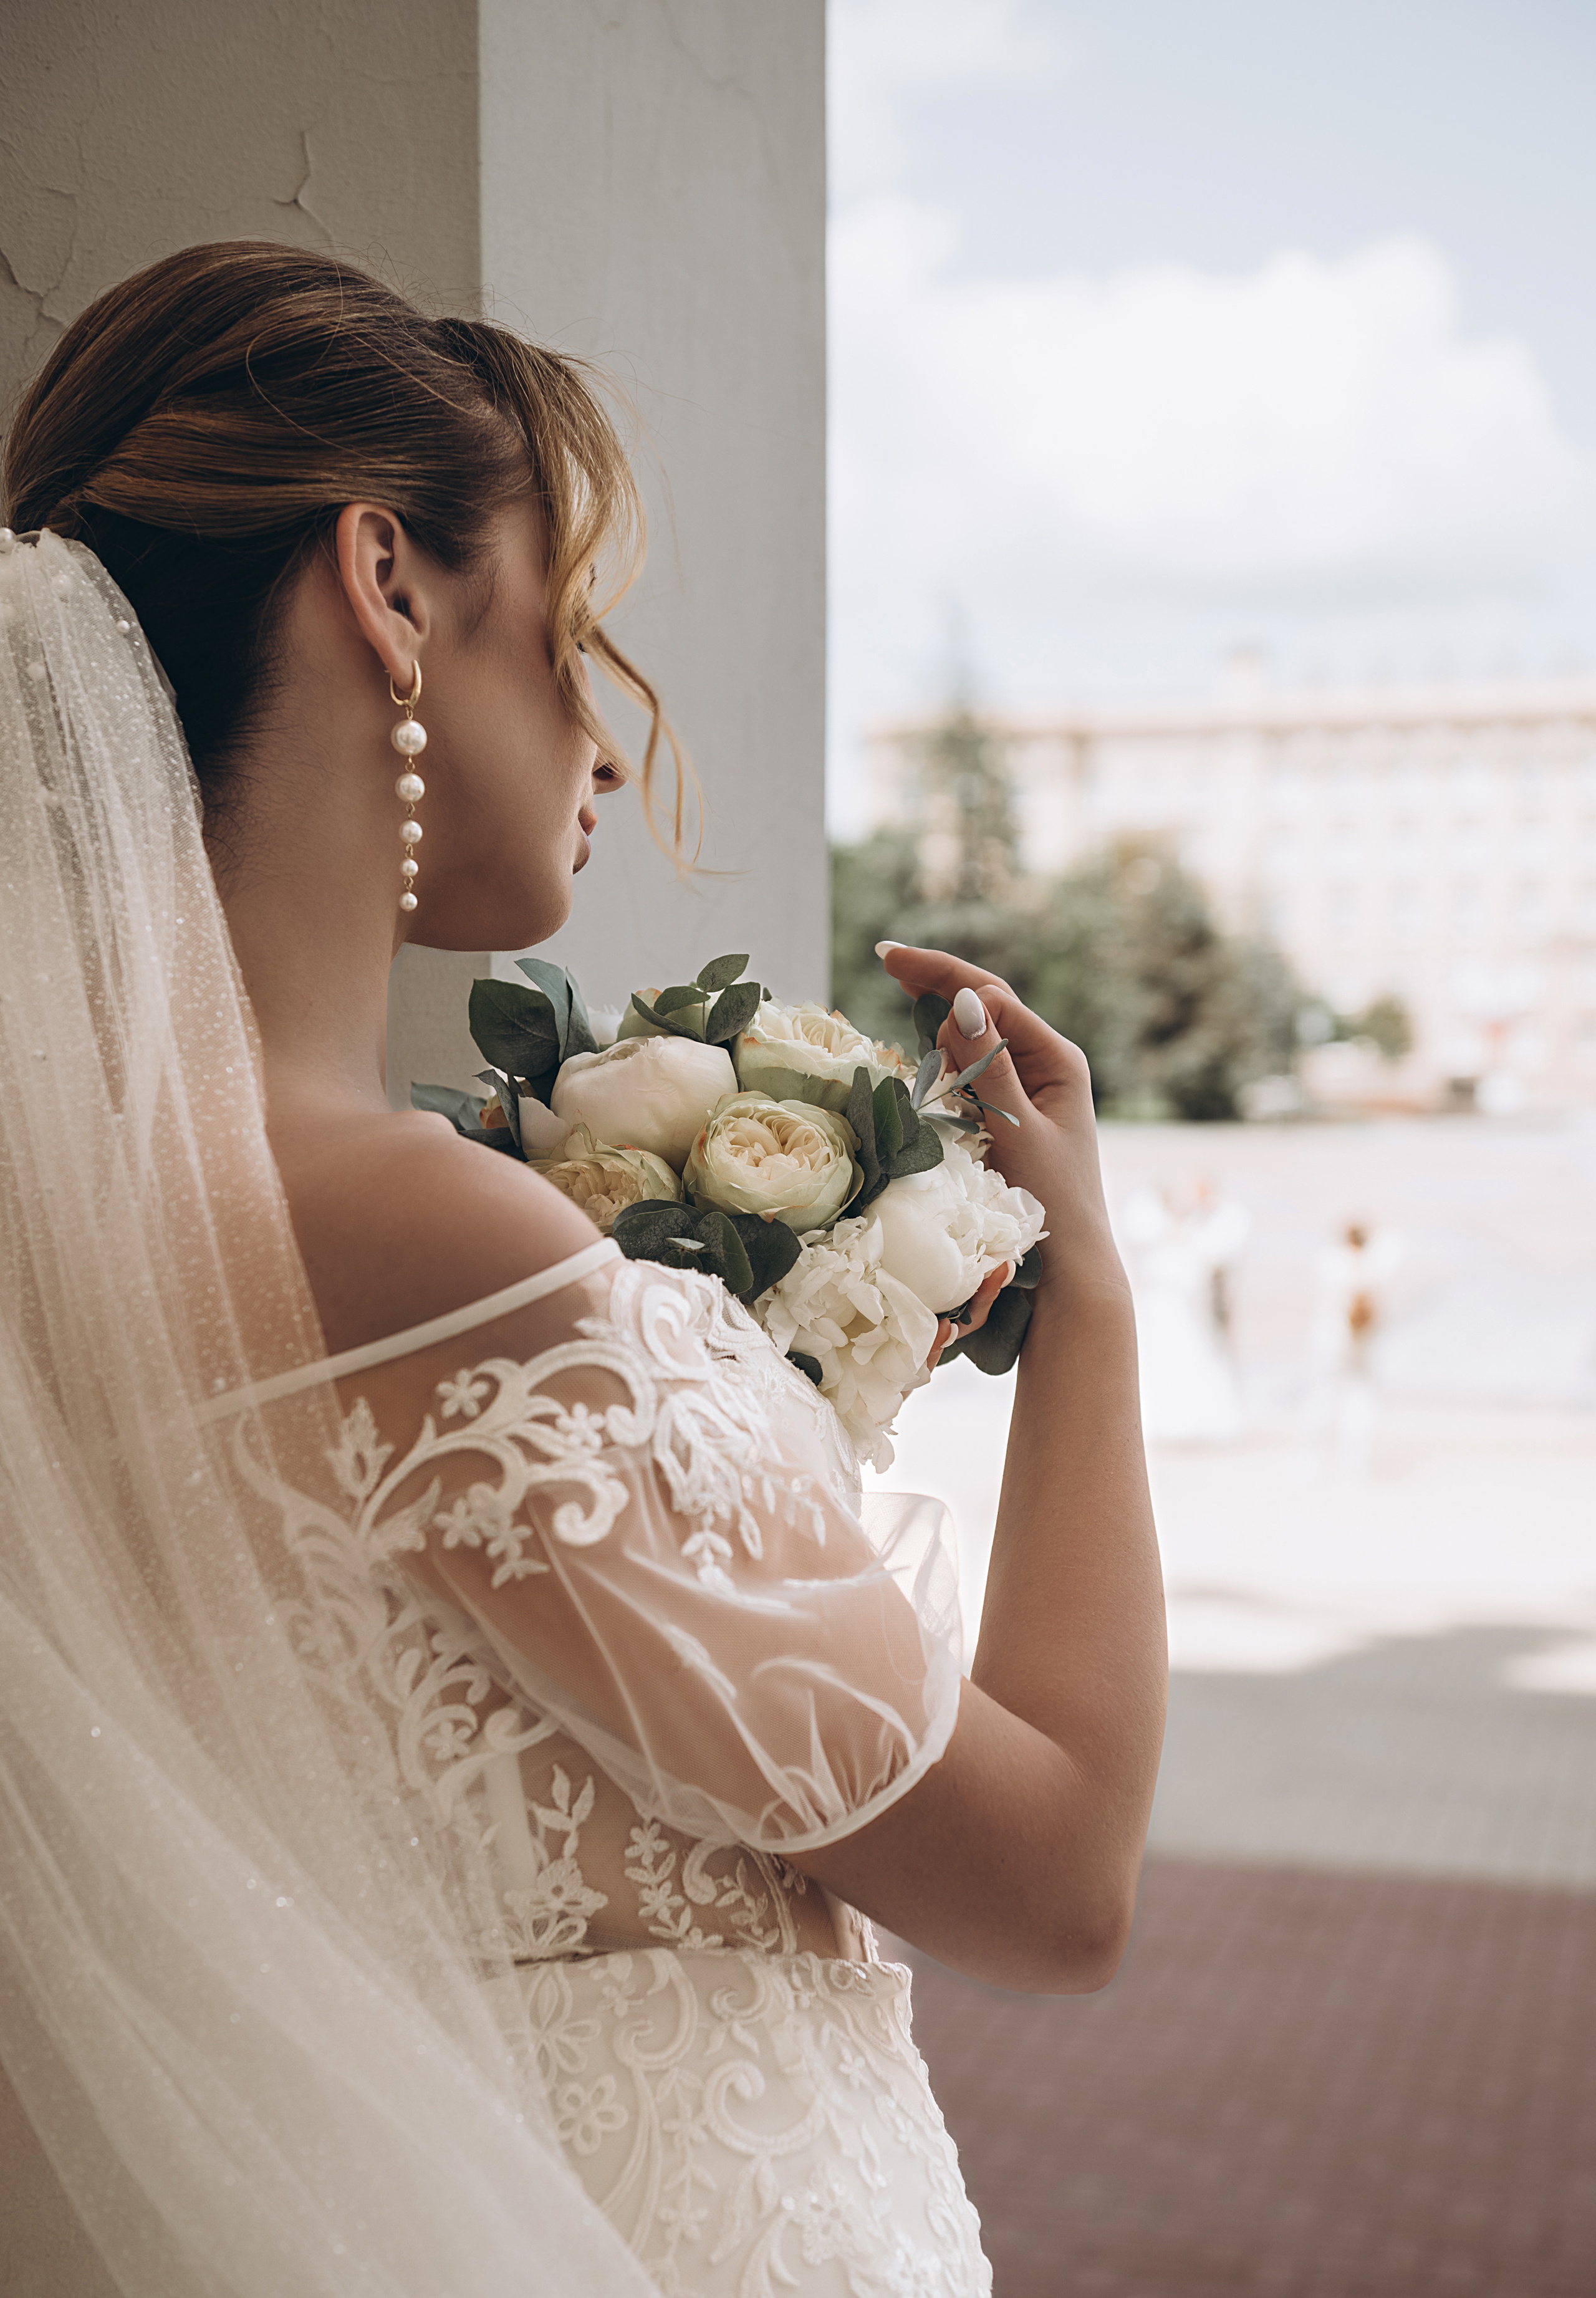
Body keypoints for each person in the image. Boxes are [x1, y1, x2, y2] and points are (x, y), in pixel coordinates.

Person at [0, 243, 1165, 2298]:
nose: (610, 728)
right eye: (576, 619)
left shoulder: (86, 1237)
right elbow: (1057, 1878)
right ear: (386, 582)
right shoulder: (426, 1243)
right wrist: (1097, 1311)